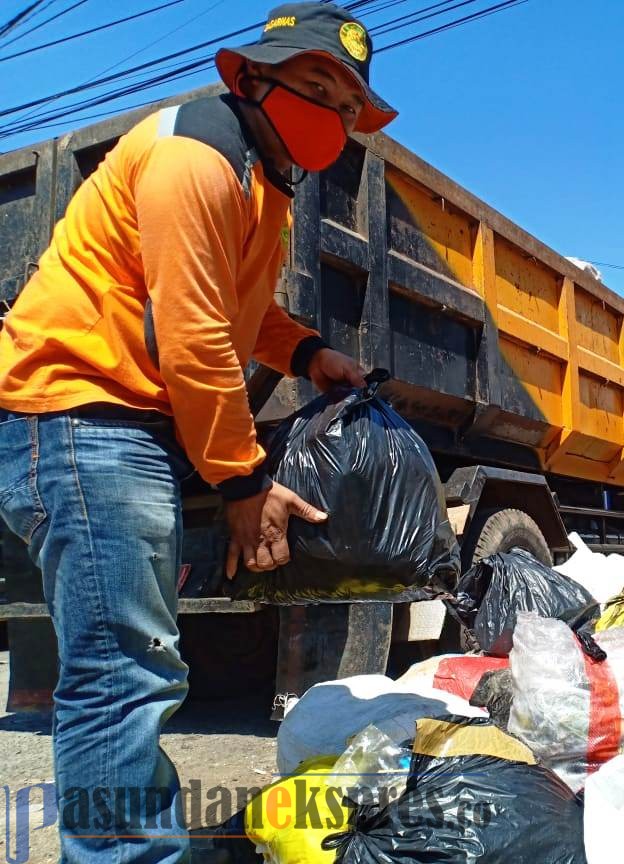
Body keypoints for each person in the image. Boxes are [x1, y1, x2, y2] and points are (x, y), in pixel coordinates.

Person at [0, 4, 397, 860]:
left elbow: (236, 312)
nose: (331, 110)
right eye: (314, 82)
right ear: (250, 75)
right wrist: (244, 483)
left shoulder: (261, 178)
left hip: (114, 425)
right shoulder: (196, 157)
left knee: (132, 666)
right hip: (82, 417)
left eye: (347, 98)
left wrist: (309, 349)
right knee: (122, 675)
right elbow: (192, 336)